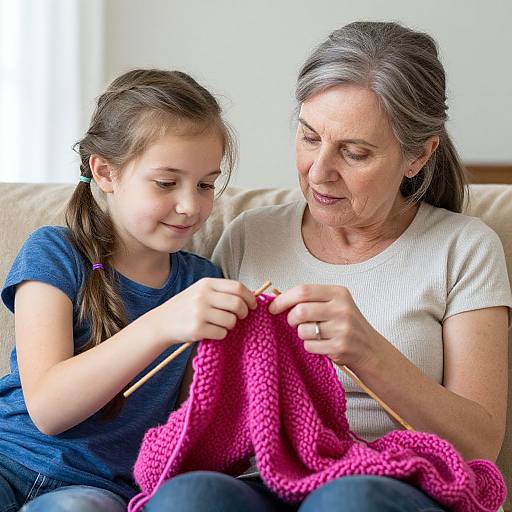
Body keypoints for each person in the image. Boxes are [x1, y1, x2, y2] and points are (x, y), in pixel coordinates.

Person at [144, 22, 512, 512]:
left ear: (418, 155)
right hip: (266, 478)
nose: (319, 171)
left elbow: (480, 444)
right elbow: (208, 414)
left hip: (397, 481)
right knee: (190, 496)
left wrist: (367, 352)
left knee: (346, 500)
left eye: (355, 152)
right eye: (309, 137)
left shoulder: (462, 247)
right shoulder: (250, 236)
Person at [0, 69, 257, 512]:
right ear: (105, 172)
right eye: (166, 182)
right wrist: (162, 323)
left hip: (99, 491)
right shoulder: (56, 253)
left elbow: (188, 428)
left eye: (205, 184)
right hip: (11, 459)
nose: (190, 206)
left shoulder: (200, 283)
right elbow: (47, 408)